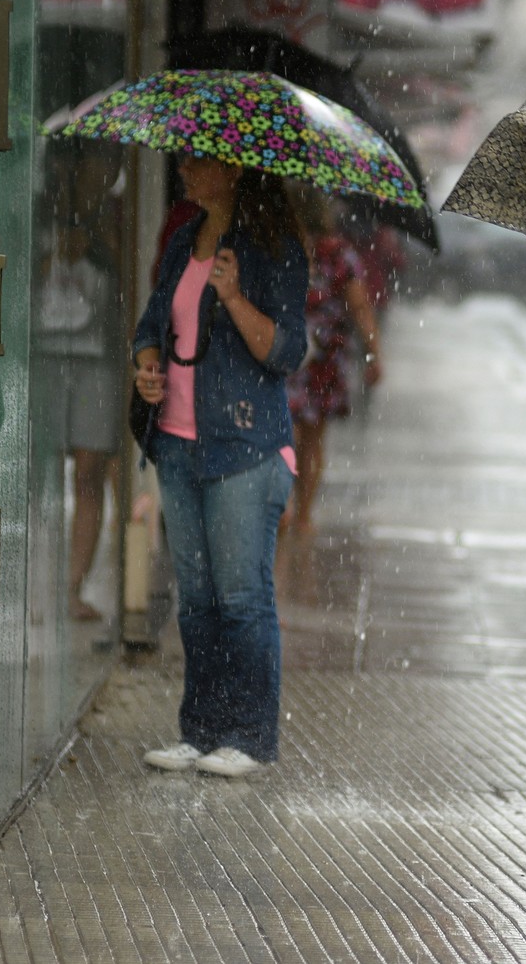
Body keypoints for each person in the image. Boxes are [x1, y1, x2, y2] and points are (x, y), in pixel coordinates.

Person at [132, 154, 308, 779]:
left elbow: (287, 351)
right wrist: (148, 366)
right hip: (178, 446)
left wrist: (234, 296)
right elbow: (153, 323)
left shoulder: (272, 248)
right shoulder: (185, 238)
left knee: (241, 598)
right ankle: (201, 730)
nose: (183, 166)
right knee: (198, 601)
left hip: (245, 447)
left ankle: (250, 737)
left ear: (233, 170)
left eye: (198, 158)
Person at [37, 148, 125, 622]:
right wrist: (50, 257)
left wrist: (101, 242)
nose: (101, 170)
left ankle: (71, 586)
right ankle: (42, 585)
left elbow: (130, 277)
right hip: (46, 353)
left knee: (90, 468)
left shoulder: (117, 213)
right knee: (44, 473)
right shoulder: (37, 208)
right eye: (93, 162)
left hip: (99, 357)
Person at [283, 193, 384, 535]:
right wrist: (373, 352)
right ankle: (302, 515)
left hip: (286, 352)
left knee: (288, 433)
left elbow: (359, 306)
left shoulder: (279, 247)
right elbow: (360, 307)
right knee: (312, 439)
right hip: (324, 356)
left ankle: (288, 508)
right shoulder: (339, 253)